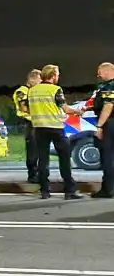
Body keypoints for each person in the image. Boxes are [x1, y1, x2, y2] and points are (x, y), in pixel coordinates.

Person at [27, 64, 84, 200]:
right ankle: (69, 191)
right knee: (64, 158)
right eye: (57, 74)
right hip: (55, 128)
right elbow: (65, 108)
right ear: (52, 76)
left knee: (43, 160)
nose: (58, 77)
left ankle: (45, 191)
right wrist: (78, 111)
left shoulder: (32, 91)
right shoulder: (55, 89)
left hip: (39, 128)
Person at [12, 69, 42, 183]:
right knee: (33, 151)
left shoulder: (32, 90)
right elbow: (24, 108)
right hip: (29, 123)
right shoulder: (22, 91)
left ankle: (38, 174)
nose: (41, 83)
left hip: (37, 123)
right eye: (40, 80)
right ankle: (32, 175)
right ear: (32, 79)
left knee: (38, 150)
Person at [89, 62, 114, 198]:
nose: (98, 75)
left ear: (107, 72)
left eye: (100, 72)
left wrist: (99, 126)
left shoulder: (110, 86)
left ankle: (108, 189)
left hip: (109, 124)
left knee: (108, 157)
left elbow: (108, 106)